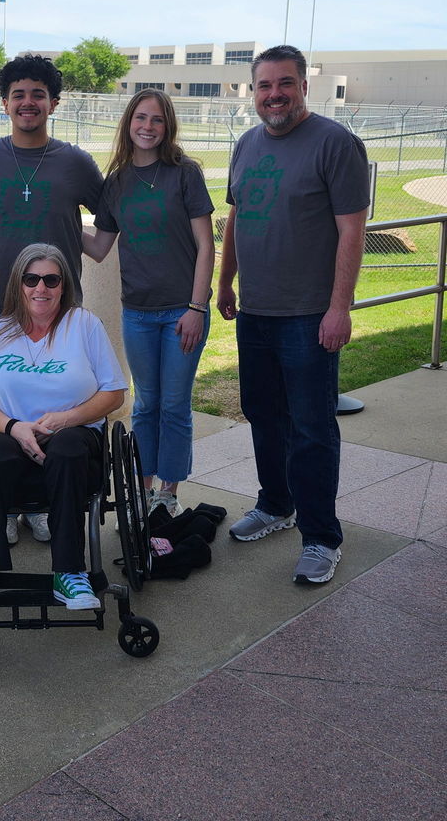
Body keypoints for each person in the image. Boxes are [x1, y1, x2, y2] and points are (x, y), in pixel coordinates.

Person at [217, 45, 369, 584]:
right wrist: (225, 280)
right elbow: (236, 216)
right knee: (264, 414)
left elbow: (353, 229)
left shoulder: (335, 143)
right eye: (264, 86)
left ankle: (322, 536)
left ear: (304, 85)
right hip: (256, 311)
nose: (274, 94)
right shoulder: (247, 143)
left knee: (311, 428)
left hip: (309, 316)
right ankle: (276, 505)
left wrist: (339, 308)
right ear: (252, 91)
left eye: (285, 83)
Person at [0, 54, 103, 544]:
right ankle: (4, 504)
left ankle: (44, 501)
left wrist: (86, 242)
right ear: (5, 103)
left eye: (38, 94)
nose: (28, 103)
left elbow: (108, 215)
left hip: (58, 310)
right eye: (19, 94)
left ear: (53, 103)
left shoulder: (75, 161)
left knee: (54, 404)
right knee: (0, 408)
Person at [0, 244, 126, 611]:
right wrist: (14, 427)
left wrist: (64, 419)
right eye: (31, 279)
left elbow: (114, 393)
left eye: (50, 279)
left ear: (63, 285)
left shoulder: (84, 325)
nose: (40, 288)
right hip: (7, 435)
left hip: (73, 437)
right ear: (19, 284)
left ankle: (70, 573)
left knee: (67, 448)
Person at [83, 88, 215, 517]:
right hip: (137, 313)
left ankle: (168, 492)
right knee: (145, 404)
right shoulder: (117, 181)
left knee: (174, 405)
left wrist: (197, 307)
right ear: (128, 123)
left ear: (167, 126)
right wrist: (57, 218)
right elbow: (100, 246)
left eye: (156, 120)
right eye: (141, 118)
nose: (147, 127)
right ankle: (142, 490)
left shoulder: (185, 174)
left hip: (182, 312)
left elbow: (205, 243)